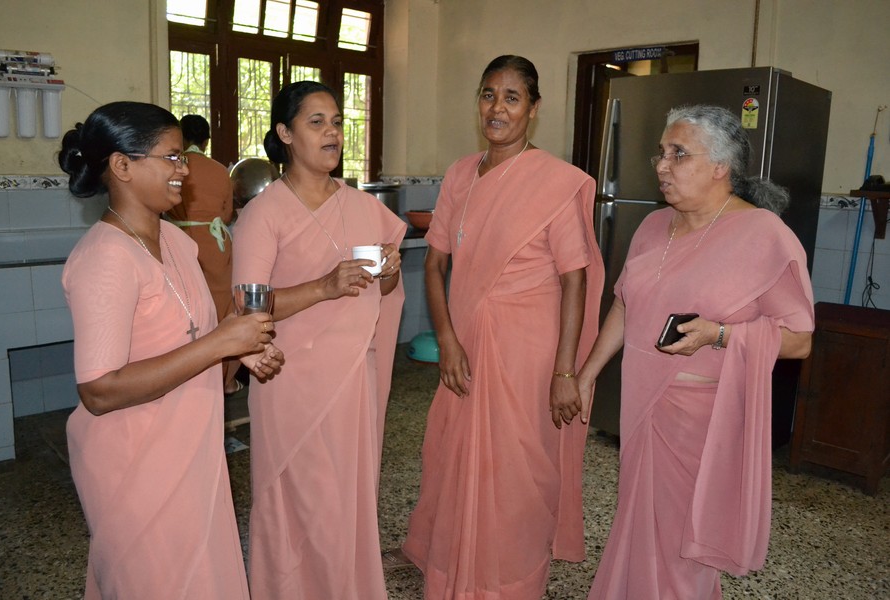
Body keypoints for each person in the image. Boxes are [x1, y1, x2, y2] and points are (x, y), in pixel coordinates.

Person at [577, 105, 815, 599]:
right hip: (641, 407)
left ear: (720, 166)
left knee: (683, 547)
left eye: (678, 154)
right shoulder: (652, 225)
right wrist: (586, 374)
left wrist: (719, 334)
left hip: (701, 422)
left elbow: (799, 339)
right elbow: (624, 304)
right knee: (641, 528)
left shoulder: (764, 234)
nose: (662, 166)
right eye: (661, 153)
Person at [397, 55, 605, 599]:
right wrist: (446, 339)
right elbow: (436, 265)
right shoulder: (461, 174)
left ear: (533, 109)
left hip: (526, 353)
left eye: (512, 98)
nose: (497, 108)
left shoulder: (554, 183)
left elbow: (576, 280)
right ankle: (453, 570)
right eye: (489, 94)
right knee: (451, 455)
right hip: (464, 343)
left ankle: (509, 582)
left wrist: (565, 371)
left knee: (517, 471)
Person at [58, 101, 285, 599]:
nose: (184, 169)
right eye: (172, 157)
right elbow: (99, 390)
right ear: (122, 165)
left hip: (189, 446)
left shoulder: (177, 242)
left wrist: (237, 347)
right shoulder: (106, 259)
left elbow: (189, 337)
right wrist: (219, 343)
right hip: (134, 460)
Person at [231, 81, 406, 599]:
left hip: (353, 375)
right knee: (306, 503)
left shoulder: (363, 207)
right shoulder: (264, 213)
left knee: (348, 498)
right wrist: (322, 287)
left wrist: (390, 268)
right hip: (291, 381)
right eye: (316, 122)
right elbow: (248, 307)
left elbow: (383, 290)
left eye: (336, 122)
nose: (332, 133)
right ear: (285, 133)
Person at [166, 114, 244, 395]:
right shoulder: (219, 170)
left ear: (182, 137)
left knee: (189, 312)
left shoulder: (175, 167)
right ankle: (226, 380)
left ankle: (192, 380)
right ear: (206, 140)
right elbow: (226, 214)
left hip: (181, 240)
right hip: (215, 245)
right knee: (223, 307)